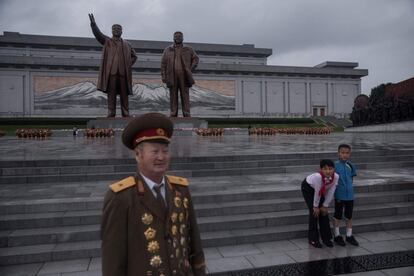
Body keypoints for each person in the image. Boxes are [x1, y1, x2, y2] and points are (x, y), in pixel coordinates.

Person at [101, 112, 206, 276]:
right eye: (155, 151)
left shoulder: (181, 189)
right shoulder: (121, 197)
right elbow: (113, 260)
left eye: (165, 151)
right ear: (138, 155)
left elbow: (194, 242)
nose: (161, 157)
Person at [89, 13, 137, 117]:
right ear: (112, 31)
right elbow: (98, 35)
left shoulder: (127, 44)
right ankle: (111, 112)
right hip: (111, 72)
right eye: (115, 29)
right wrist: (93, 25)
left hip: (123, 73)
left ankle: (125, 112)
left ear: (122, 31)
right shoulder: (107, 41)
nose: (117, 30)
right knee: (112, 94)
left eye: (119, 29)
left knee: (124, 94)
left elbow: (134, 56)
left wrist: (128, 64)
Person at [301, 159, 339, 248]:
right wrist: (315, 207)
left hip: (320, 191)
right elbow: (317, 191)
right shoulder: (318, 177)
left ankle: (327, 238)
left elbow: (331, 191)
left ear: (334, 169)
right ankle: (313, 239)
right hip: (308, 188)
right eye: (325, 169)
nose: (328, 171)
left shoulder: (336, 177)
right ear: (321, 169)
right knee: (314, 213)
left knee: (324, 213)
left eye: (330, 169)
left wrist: (325, 205)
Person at [161, 31, 199, 117]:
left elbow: (195, 59)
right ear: (173, 38)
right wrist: (163, 76)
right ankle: (173, 113)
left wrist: (190, 69)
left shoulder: (189, 49)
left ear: (183, 38)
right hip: (172, 75)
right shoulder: (167, 50)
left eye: (179, 36)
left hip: (184, 75)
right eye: (176, 36)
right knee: (173, 95)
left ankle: (186, 113)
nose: (178, 38)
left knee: (185, 94)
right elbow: (163, 63)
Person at [333, 144, 359, 246]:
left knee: (349, 216)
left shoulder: (351, 165)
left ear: (350, 154)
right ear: (338, 153)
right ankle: (337, 235)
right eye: (342, 153)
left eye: (347, 153)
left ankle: (349, 236)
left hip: (350, 196)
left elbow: (351, 179)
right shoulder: (334, 165)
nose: (345, 155)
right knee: (337, 216)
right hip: (339, 195)